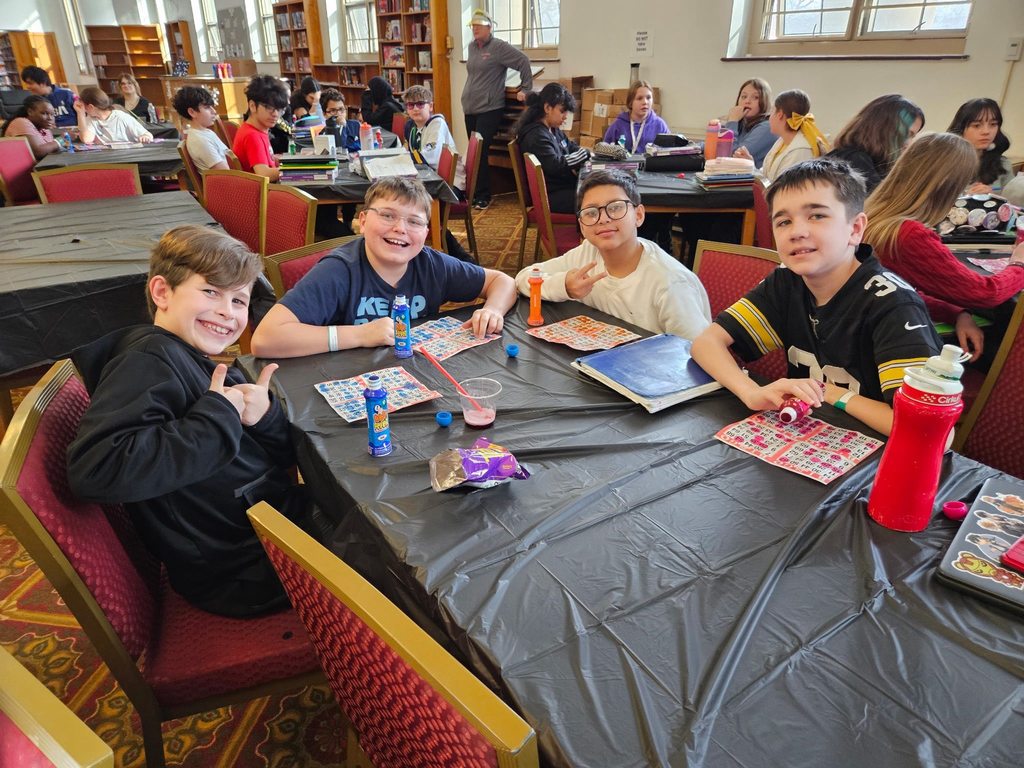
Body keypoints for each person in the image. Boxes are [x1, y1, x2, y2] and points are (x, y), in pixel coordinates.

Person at [66, 225, 314, 617]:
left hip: (264, 528)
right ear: (162, 292)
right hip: (243, 568)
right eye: (210, 291)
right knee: (390, 555)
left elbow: (279, 452)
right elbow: (96, 469)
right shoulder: (146, 362)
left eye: (238, 300)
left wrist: (261, 417)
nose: (226, 311)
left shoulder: (193, 358)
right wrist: (217, 416)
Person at [691, 158, 942, 437]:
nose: (797, 232)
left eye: (817, 216)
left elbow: (931, 432)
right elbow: (706, 343)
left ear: (855, 229)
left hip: (876, 457)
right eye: (784, 221)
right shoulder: (787, 282)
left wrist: (832, 393)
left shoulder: (893, 305)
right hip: (806, 438)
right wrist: (751, 393)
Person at [251, 176, 516, 358]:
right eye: (388, 215)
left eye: (414, 222)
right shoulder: (339, 271)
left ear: (426, 233)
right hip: (355, 381)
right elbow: (265, 339)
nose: (400, 228)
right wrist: (360, 335)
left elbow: (502, 282)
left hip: (416, 374)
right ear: (363, 221)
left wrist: (492, 309)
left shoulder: (431, 264)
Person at [864, 132, 1024, 365]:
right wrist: (1018, 263)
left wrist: (957, 312)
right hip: (887, 347)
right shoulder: (909, 234)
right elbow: (987, 293)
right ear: (947, 186)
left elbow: (898, 290)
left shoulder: (876, 216)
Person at [515, 169, 710, 340]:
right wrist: (564, 285)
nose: (603, 219)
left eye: (615, 207)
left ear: (639, 215)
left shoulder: (671, 283)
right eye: (591, 213)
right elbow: (523, 278)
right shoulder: (587, 254)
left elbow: (699, 353)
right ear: (582, 226)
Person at [234, 75, 350, 238]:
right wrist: (295, 167)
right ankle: (344, 239)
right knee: (323, 206)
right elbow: (263, 173)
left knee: (324, 205)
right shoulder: (252, 135)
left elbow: (268, 159)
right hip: (266, 202)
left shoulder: (257, 129)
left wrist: (299, 157)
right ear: (252, 105)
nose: (275, 114)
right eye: (269, 108)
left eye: (280, 109)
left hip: (268, 195)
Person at [462, 9, 532, 210]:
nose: (474, 29)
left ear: (489, 27)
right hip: (470, 107)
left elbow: (523, 61)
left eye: (478, 26)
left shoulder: (499, 47)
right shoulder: (472, 47)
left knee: (481, 151)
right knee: (474, 152)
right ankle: (474, 192)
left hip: (490, 108)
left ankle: (483, 195)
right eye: (472, 26)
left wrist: (525, 88)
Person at [400, 84, 474, 263]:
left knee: (417, 209)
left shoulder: (436, 124)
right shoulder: (412, 127)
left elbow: (429, 158)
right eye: (411, 105)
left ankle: (460, 259)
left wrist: (405, 158)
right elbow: (411, 153)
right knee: (410, 205)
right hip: (433, 179)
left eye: (420, 104)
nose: (416, 109)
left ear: (430, 106)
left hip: (450, 185)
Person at [514, 83, 589, 215]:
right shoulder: (536, 136)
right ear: (548, 108)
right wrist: (585, 154)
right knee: (595, 199)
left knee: (596, 192)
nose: (565, 116)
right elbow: (556, 165)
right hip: (550, 196)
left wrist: (586, 153)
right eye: (562, 111)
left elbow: (571, 147)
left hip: (560, 189)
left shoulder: (552, 130)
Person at [826, 94, 925, 194]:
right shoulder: (855, 160)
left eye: (913, 136)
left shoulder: (871, 163)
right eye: (906, 134)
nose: (909, 144)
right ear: (882, 127)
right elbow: (879, 205)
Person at [736, 89, 824, 182]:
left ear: (780, 115)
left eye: (772, 112)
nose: (769, 117)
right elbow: (767, 179)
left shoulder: (801, 149)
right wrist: (751, 165)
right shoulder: (782, 141)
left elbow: (781, 188)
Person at [947, 98, 1014, 194]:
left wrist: (993, 197)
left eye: (993, 124)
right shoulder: (943, 163)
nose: (986, 131)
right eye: (977, 125)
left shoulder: (1003, 164)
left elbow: (1013, 204)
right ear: (961, 128)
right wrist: (967, 197)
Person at [602, 80, 669, 155]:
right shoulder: (618, 125)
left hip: (651, 166)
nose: (645, 102)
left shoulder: (660, 125)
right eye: (639, 98)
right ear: (630, 103)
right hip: (623, 166)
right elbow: (603, 152)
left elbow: (669, 153)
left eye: (648, 97)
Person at [172, 86, 228, 171]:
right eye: (207, 107)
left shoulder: (206, 132)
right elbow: (225, 172)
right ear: (192, 112)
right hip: (228, 182)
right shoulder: (200, 140)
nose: (214, 111)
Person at [74, 85, 154, 145]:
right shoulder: (91, 118)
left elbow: (147, 134)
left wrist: (145, 137)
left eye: (83, 106)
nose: (84, 109)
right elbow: (86, 139)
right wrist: (80, 114)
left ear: (91, 107)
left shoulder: (121, 117)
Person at [725, 78, 774, 166]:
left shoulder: (767, 127)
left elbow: (733, 156)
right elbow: (717, 143)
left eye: (755, 97)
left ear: (765, 101)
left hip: (755, 178)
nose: (747, 101)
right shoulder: (742, 122)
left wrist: (732, 121)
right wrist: (695, 147)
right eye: (744, 97)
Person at [0, 94, 60, 158]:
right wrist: (62, 140)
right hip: (23, 167)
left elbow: (51, 149)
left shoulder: (44, 128)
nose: (50, 118)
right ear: (30, 112)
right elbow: (38, 152)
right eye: (44, 113)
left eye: (52, 114)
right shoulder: (20, 122)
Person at [321, 87, 360, 152]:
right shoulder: (324, 135)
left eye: (341, 109)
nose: (339, 114)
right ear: (324, 114)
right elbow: (341, 151)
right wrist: (342, 127)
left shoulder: (355, 125)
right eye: (333, 110)